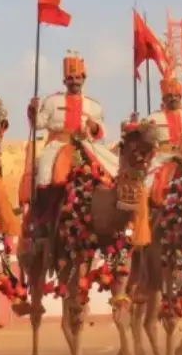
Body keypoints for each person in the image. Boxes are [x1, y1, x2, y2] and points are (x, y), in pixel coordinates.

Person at [26, 51, 115, 226]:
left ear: (83, 79)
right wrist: (33, 110)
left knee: (111, 171)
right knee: (44, 174)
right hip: (58, 145)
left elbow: (100, 132)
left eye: (77, 77)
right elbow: (40, 123)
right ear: (64, 81)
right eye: (70, 78)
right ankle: (44, 216)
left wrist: (94, 127)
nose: (74, 81)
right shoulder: (52, 101)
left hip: (86, 146)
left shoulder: (94, 106)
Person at [144, 74, 182, 202]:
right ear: (164, 99)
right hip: (162, 159)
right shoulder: (153, 118)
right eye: (169, 96)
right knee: (146, 185)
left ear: (180, 97)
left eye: (175, 96)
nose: (173, 98)